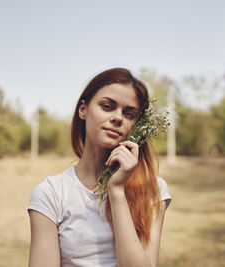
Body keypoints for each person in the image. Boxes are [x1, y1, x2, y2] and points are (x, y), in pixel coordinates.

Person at [27, 67, 172, 267]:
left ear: (137, 126)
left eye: (130, 114)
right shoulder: (51, 194)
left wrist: (117, 191)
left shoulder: (152, 190)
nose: (118, 118)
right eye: (107, 106)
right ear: (83, 110)